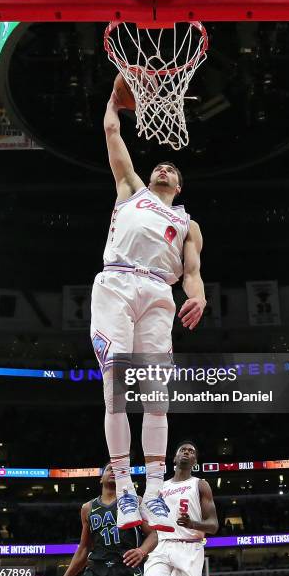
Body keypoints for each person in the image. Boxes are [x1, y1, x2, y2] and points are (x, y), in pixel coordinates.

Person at [91, 83, 206, 531]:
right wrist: (113, 99)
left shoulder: (187, 222)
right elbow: (111, 131)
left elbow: (192, 271)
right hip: (117, 282)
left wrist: (197, 295)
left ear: (178, 185)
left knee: (157, 397)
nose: (163, 167)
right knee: (116, 387)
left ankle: (154, 490)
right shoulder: (131, 189)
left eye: (171, 168)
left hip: (159, 294)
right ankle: (124, 491)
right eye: (160, 164)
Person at [61, 463, 158, 576]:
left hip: (126, 568)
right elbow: (84, 547)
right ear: (101, 478)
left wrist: (141, 551)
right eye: (109, 469)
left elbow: (153, 535)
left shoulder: (135, 501)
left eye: (118, 470)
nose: (113, 471)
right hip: (96, 570)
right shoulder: (87, 508)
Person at [143, 441, 218, 576]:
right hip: (162, 545)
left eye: (191, 451)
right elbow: (150, 522)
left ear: (195, 461)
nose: (186, 452)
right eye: (183, 450)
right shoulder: (160, 487)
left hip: (189, 547)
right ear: (174, 458)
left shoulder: (200, 485)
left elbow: (214, 526)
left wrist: (193, 524)